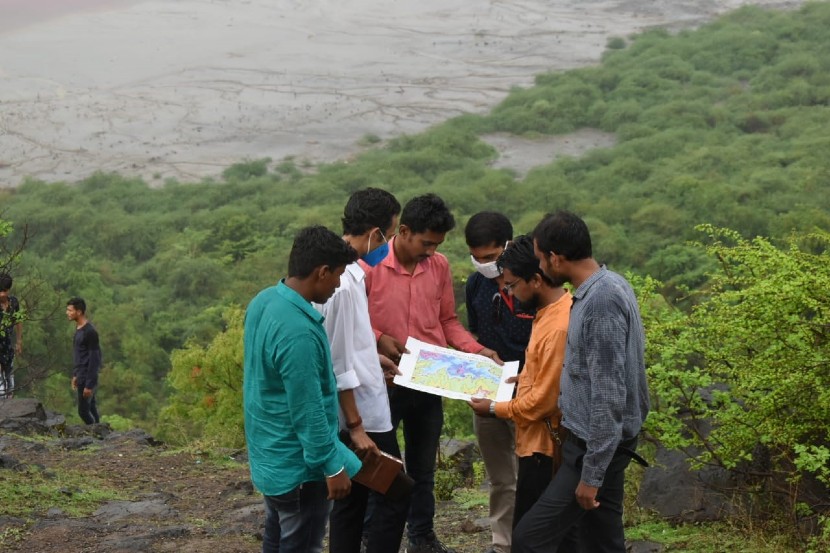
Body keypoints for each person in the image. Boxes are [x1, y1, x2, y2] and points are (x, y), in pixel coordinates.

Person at [365, 193, 502, 553]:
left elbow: (448, 322)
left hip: (428, 379)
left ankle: (422, 537)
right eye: (426, 243)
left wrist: (478, 351)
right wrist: (379, 338)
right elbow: (354, 322)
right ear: (404, 231)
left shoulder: (438, 266)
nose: (431, 251)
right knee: (381, 466)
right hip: (384, 380)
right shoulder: (371, 266)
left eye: (436, 245)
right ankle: (372, 537)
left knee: (423, 466)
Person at [512, 211, 650, 553]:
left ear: (556, 259)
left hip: (594, 446)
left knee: (529, 539)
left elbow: (609, 393)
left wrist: (592, 475)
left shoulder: (600, 301)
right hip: (604, 443)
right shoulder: (609, 283)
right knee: (599, 541)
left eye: (540, 258)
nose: (539, 266)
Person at [243, 225, 362, 553]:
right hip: (298, 468)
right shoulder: (298, 332)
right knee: (302, 544)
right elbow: (308, 410)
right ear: (322, 272)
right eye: (338, 275)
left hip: (270, 455)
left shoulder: (264, 301)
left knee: (276, 537)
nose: (338, 285)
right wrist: (332, 466)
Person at [313, 188, 410, 553]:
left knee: (352, 500)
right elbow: (336, 360)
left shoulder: (349, 273)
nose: (389, 244)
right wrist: (355, 427)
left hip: (363, 403)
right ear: (375, 233)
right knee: (396, 491)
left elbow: (350, 342)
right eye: (390, 234)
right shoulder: (339, 285)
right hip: (362, 415)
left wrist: (373, 358)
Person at [468, 235, 571, 531]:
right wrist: (524, 378)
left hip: (544, 448)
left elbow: (543, 403)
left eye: (512, 285)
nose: (508, 292)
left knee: (531, 535)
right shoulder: (546, 314)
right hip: (534, 443)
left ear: (536, 280)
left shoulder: (558, 326)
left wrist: (493, 408)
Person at [463, 213, 534, 553]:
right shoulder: (476, 285)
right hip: (488, 391)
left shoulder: (531, 282)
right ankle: (502, 543)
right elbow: (475, 334)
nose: (484, 264)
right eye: (477, 257)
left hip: (530, 393)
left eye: (491, 257)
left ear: (508, 245)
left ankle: (534, 540)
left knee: (533, 472)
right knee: (501, 476)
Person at [66, 297, 102, 424]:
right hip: (81, 374)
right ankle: (101, 431)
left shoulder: (90, 332)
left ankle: (97, 432)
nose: (67, 313)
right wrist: (75, 374)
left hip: (87, 377)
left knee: (83, 411)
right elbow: (79, 355)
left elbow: (95, 359)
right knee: (91, 407)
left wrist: (89, 384)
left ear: (79, 312)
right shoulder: (78, 329)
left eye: (70, 310)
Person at [0, 273, 23, 399]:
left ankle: (9, 402)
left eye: (4, 291)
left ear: (8, 290)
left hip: (7, 345)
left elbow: (18, 320)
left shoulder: (13, 302)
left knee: (10, 382)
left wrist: (19, 341)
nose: (1, 294)